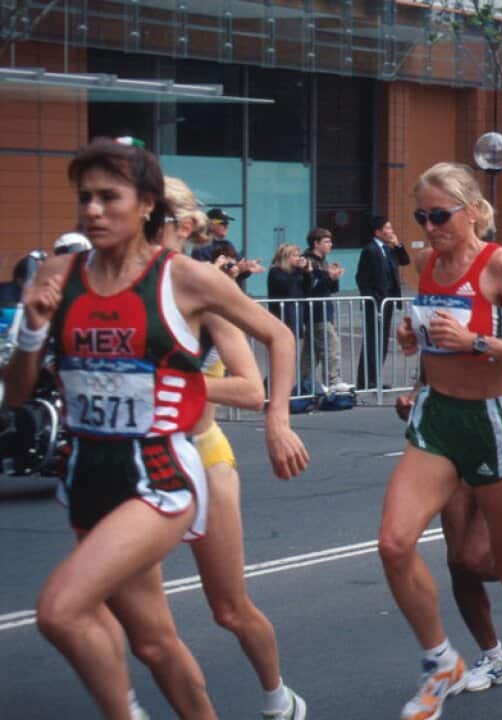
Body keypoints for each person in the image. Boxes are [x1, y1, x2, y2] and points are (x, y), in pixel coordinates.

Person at [6, 137, 308, 719]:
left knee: (61, 609)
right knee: (151, 643)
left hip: (163, 472)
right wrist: (31, 328)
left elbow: (279, 335)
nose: (92, 210)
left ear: (146, 204)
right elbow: (18, 394)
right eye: (84, 198)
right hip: (87, 476)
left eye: (108, 197)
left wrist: (277, 419)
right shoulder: (58, 273)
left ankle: (276, 699)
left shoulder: (185, 279)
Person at [379, 162, 502, 720]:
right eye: (421, 217)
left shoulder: (498, 264)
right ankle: (443, 662)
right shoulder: (430, 265)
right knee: (395, 544)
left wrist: (479, 341)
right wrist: (411, 342)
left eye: (440, 215)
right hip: (437, 421)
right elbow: (434, 342)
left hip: (492, 422)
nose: (430, 227)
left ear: (473, 210)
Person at [159, 175, 309, 719]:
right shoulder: (121, 289)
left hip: (201, 451)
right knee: (137, 622)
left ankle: (277, 698)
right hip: (137, 463)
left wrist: (277, 419)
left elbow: (251, 385)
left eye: (159, 224)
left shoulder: (202, 290)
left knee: (228, 609)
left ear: (184, 228)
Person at [356, 215, 410, 390]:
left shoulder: (388, 249)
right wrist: (372, 298)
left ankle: (376, 378)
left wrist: (398, 245)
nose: (391, 231)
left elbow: (405, 260)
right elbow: (361, 278)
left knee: (383, 341)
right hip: (376, 303)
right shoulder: (370, 250)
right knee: (372, 341)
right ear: (377, 232)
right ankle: (365, 380)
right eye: (387, 228)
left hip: (387, 302)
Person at [301, 227, 350, 391]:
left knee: (311, 351)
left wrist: (334, 277)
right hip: (316, 311)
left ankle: (305, 382)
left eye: (330, 241)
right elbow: (311, 287)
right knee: (331, 345)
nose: (331, 244)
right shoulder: (308, 261)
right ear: (316, 243)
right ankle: (333, 380)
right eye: (326, 241)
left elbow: (329, 289)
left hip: (323, 310)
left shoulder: (323, 261)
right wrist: (328, 276)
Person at [267, 243, 310, 338]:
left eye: (299, 255)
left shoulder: (296, 272)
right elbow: (286, 286)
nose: (298, 258)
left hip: (297, 310)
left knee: (295, 341)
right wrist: (299, 270)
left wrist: (307, 273)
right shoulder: (275, 271)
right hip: (282, 313)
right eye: (295, 256)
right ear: (285, 257)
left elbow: (307, 288)